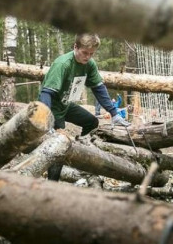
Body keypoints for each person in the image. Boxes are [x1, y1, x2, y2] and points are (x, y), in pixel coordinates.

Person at [39, 33, 130, 181]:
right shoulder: (63, 64)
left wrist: (114, 113)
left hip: (66, 105)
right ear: (75, 47)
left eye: (91, 54)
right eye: (84, 53)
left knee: (92, 122)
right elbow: (46, 93)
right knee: (59, 142)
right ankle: (52, 183)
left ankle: (79, 160)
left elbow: (98, 88)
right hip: (53, 108)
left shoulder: (90, 64)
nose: (87, 57)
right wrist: (46, 118)